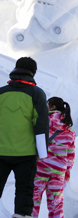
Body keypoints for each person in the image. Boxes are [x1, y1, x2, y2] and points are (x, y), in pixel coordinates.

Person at [0, 57, 49, 218]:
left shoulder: (1, 93)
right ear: (33, 72)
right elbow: (41, 125)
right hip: (26, 154)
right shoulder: (36, 94)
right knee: (24, 191)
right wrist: (42, 153)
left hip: (1, 151)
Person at [32, 96, 76, 218]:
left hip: (40, 168)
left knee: (33, 202)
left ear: (53, 107)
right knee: (56, 205)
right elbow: (70, 158)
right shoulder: (69, 130)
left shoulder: (42, 122)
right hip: (58, 172)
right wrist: (66, 177)